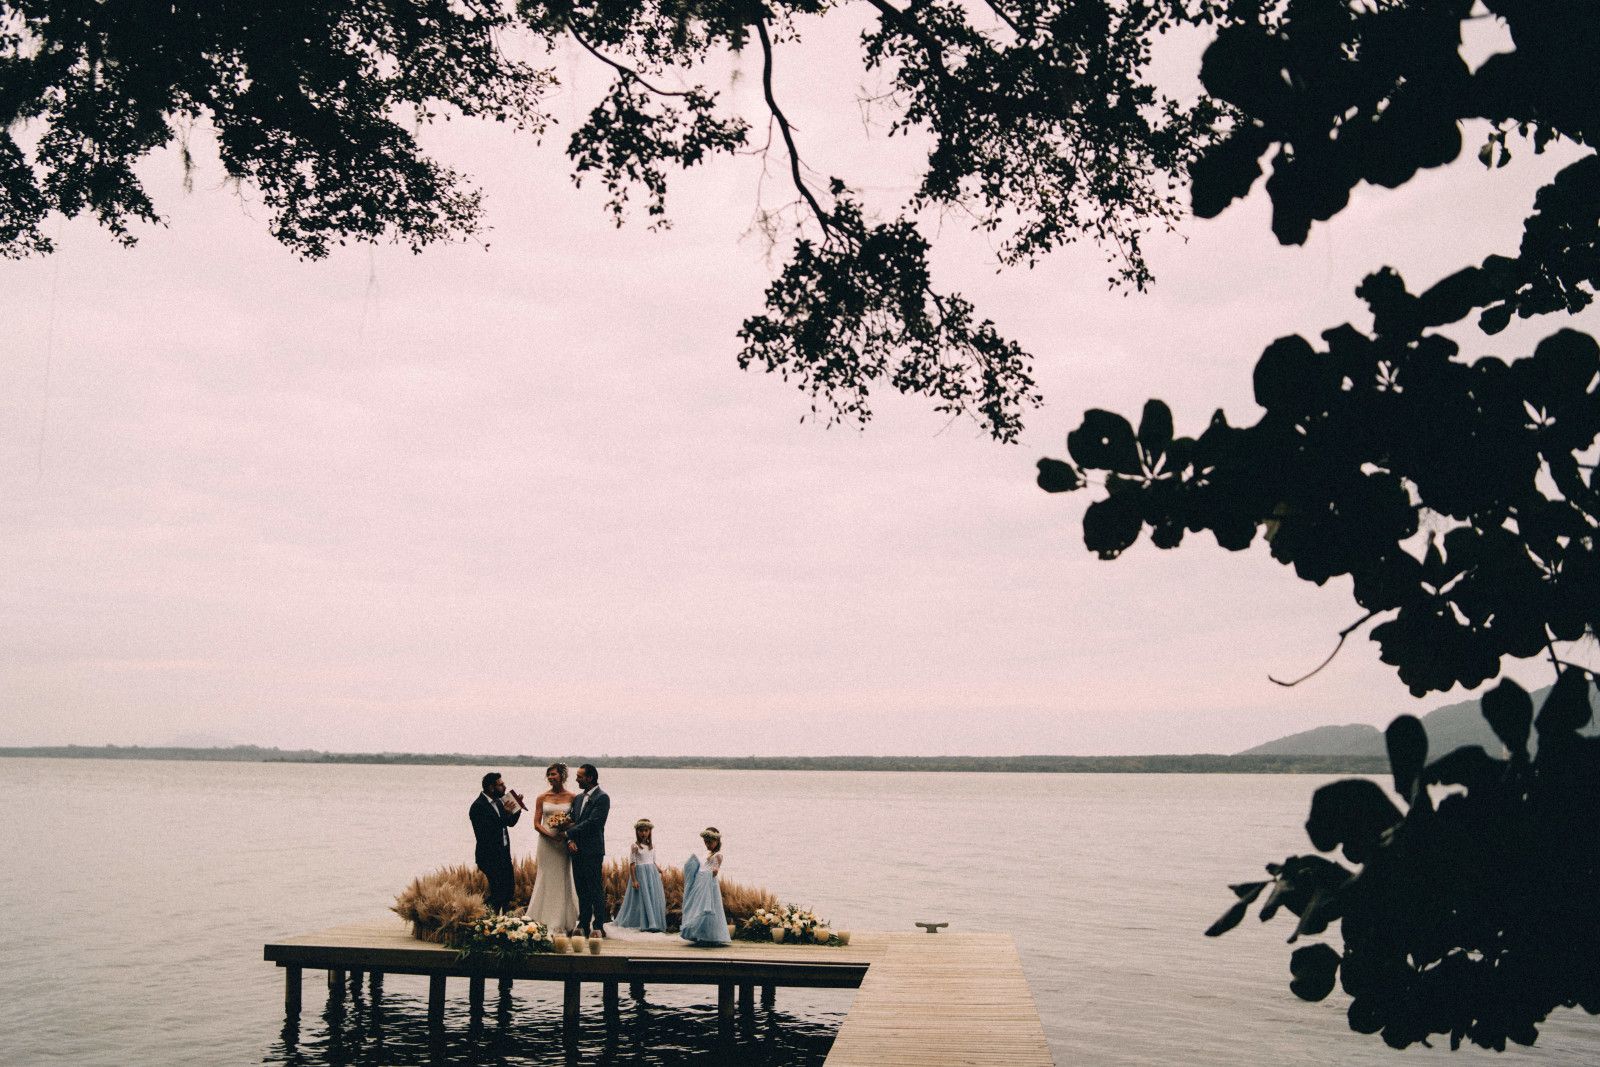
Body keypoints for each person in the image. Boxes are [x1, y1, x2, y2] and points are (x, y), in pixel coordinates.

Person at [524, 762, 580, 932]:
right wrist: (550, 835)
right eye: (548, 775)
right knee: (545, 875)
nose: (550, 778)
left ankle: (563, 919)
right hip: (547, 842)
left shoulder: (572, 797)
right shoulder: (542, 797)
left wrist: (565, 830)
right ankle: (541, 917)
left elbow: (576, 821)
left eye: (553, 774)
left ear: (562, 776)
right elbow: (536, 823)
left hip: (563, 841)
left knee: (562, 876)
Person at [566, 763, 611, 937]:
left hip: (592, 851)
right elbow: (571, 819)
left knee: (594, 888)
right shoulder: (577, 798)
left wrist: (568, 832)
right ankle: (583, 923)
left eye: (579, 776)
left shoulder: (602, 798)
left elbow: (594, 823)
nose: (576, 779)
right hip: (576, 850)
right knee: (581, 888)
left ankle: (598, 925)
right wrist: (570, 839)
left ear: (590, 778)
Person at [469, 772, 524, 912]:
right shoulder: (478, 806)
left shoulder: (500, 802)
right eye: (501, 785)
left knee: (509, 890)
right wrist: (506, 813)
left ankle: (505, 923)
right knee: (498, 892)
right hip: (488, 856)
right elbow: (488, 832)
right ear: (491, 787)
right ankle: (483, 918)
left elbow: (509, 823)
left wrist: (517, 808)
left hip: (504, 854)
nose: (504, 787)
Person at [678, 827, 730, 945]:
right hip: (700, 882)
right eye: (705, 842)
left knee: (708, 908)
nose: (707, 845)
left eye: (710, 842)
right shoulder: (708, 853)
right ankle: (699, 934)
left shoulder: (718, 855)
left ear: (717, 841)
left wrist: (710, 872)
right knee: (696, 906)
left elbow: (715, 870)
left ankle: (709, 935)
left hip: (708, 883)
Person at [614, 818, 667, 932]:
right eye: (641, 831)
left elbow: (652, 862)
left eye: (646, 831)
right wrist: (634, 880)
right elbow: (632, 864)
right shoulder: (635, 846)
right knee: (642, 899)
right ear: (637, 832)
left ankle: (652, 922)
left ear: (650, 832)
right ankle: (642, 923)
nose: (644, 833)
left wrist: (659, 870)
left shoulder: (651, 846)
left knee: (652, 897)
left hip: (651, 875)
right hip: (641, 875)